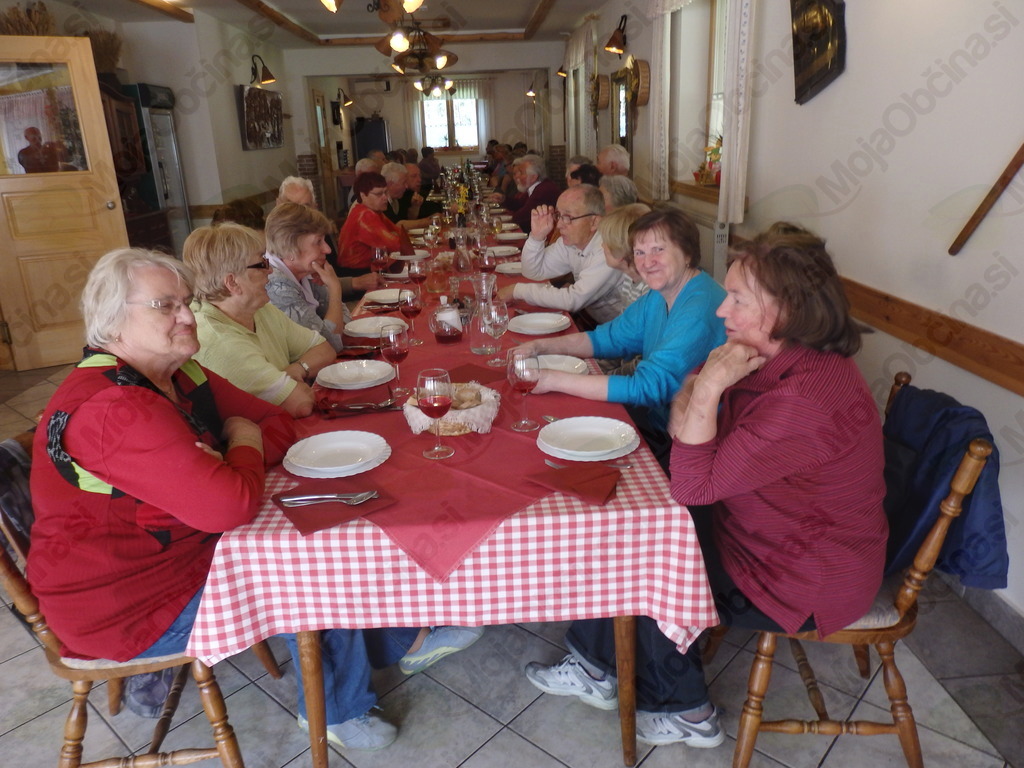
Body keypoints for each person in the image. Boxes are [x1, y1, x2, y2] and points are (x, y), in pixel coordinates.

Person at [26, 248, 481, 752]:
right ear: (112, 320)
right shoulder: (115, 407)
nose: (186, 316)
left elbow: (280, 421)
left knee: (332, 530)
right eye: (164, 306)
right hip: (128, 605)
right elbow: (231, 505)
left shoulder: (181, 374)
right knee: (304, 573)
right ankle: (338, 711)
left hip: (192, 553)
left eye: (186, 302)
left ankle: (395, 642)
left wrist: (225, 460)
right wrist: (239, 442)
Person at [524, 225, 887, 749]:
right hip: (763, 526)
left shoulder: (803, 400)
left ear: (786, 309)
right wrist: (700, 396)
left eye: (738, 299)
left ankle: (685, 712)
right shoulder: (776, 355)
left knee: (653, 556)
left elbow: (693, 482)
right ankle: (597, 664)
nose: (722, 309)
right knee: (638, 524)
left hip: (803, 575)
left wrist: (708, 389)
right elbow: (686, 423)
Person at [512, 207, 725, 463]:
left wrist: (552, 379)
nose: (647, 262)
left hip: (693, 445)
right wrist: (539, 347)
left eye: (658, 250)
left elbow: (647, 387)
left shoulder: (698, 308)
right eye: (639, 252)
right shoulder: (661, 295)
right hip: (658, 421)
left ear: (687, 252)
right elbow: (608, 339)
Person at [184, 223, 335, 418]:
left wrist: (298, 369)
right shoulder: (219, 341)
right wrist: (297, 380)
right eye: (261, 264)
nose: (270, 270)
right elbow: (300, 404)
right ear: (232, 282)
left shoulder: (261, 310)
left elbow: (325, 349)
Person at [498, 185, 625, 325]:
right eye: (558, 215)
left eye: (568, 217)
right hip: (591, 321)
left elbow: (573, 300)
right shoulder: (571, 242)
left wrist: (518, 290)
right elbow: (533, 272)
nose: (559, 225)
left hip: (619, 331)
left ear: (594, 221)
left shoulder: (608, 248)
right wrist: (537, 237)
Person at [265, 202, 362, 352]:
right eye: (318, 242)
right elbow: (330, 344)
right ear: (290, 249)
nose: (328, 249)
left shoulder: (305, 270)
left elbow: (345, 323)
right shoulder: (277, 286)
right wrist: (335, 288)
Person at [336, 171, 412, 275]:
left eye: (386, 192)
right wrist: (395, 237)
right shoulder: (364, 215)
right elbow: (396, 245)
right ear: (363, 195)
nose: (385, 197)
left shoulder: (375, 212)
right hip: (358, 275)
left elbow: (400, 234)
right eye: (379, 194)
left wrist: (395, 236)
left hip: (370, 271)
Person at [502, 154, 561, 234]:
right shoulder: (537, 187)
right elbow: (519, 204)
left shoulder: (543, 190)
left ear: (533, 177)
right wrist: (503, 199)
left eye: (521, 173)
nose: (518, 176)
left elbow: (523, 216)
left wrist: (502, 222)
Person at [381, 162, 431, 229]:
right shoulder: (381, 201)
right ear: (390, 184)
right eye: (403, 183)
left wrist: (415, 207)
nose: (406, 186)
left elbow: (408, 221)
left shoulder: (398, 198)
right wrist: (431, 221)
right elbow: (397, 225)